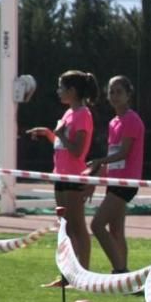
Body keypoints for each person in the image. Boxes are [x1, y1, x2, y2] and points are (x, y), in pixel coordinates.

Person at [28, 70, 99, 280]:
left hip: (74, 178)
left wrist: (59, 135)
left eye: (61, 87)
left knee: (77, 227)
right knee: (65, 228)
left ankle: (83, 274)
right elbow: (62, 147)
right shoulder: (69, 113)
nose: (58, 91)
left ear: (73, 90)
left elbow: (77, 151)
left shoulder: (83, 114)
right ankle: (66, 274)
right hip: (60, 176)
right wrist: (49, 134)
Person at [87, 75, 145, 274]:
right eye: (111, 91)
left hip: (126, 181)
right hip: (114, 180)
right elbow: (113, 154)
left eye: (119, 91)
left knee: (96, 225)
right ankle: (124, 273)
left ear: (129, 95)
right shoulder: (114, 122)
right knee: (116, 230)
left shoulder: (131, 120)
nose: (114, 96)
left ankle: (120, 270)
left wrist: (98, 161)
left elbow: (124, 152)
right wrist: (96, 177)